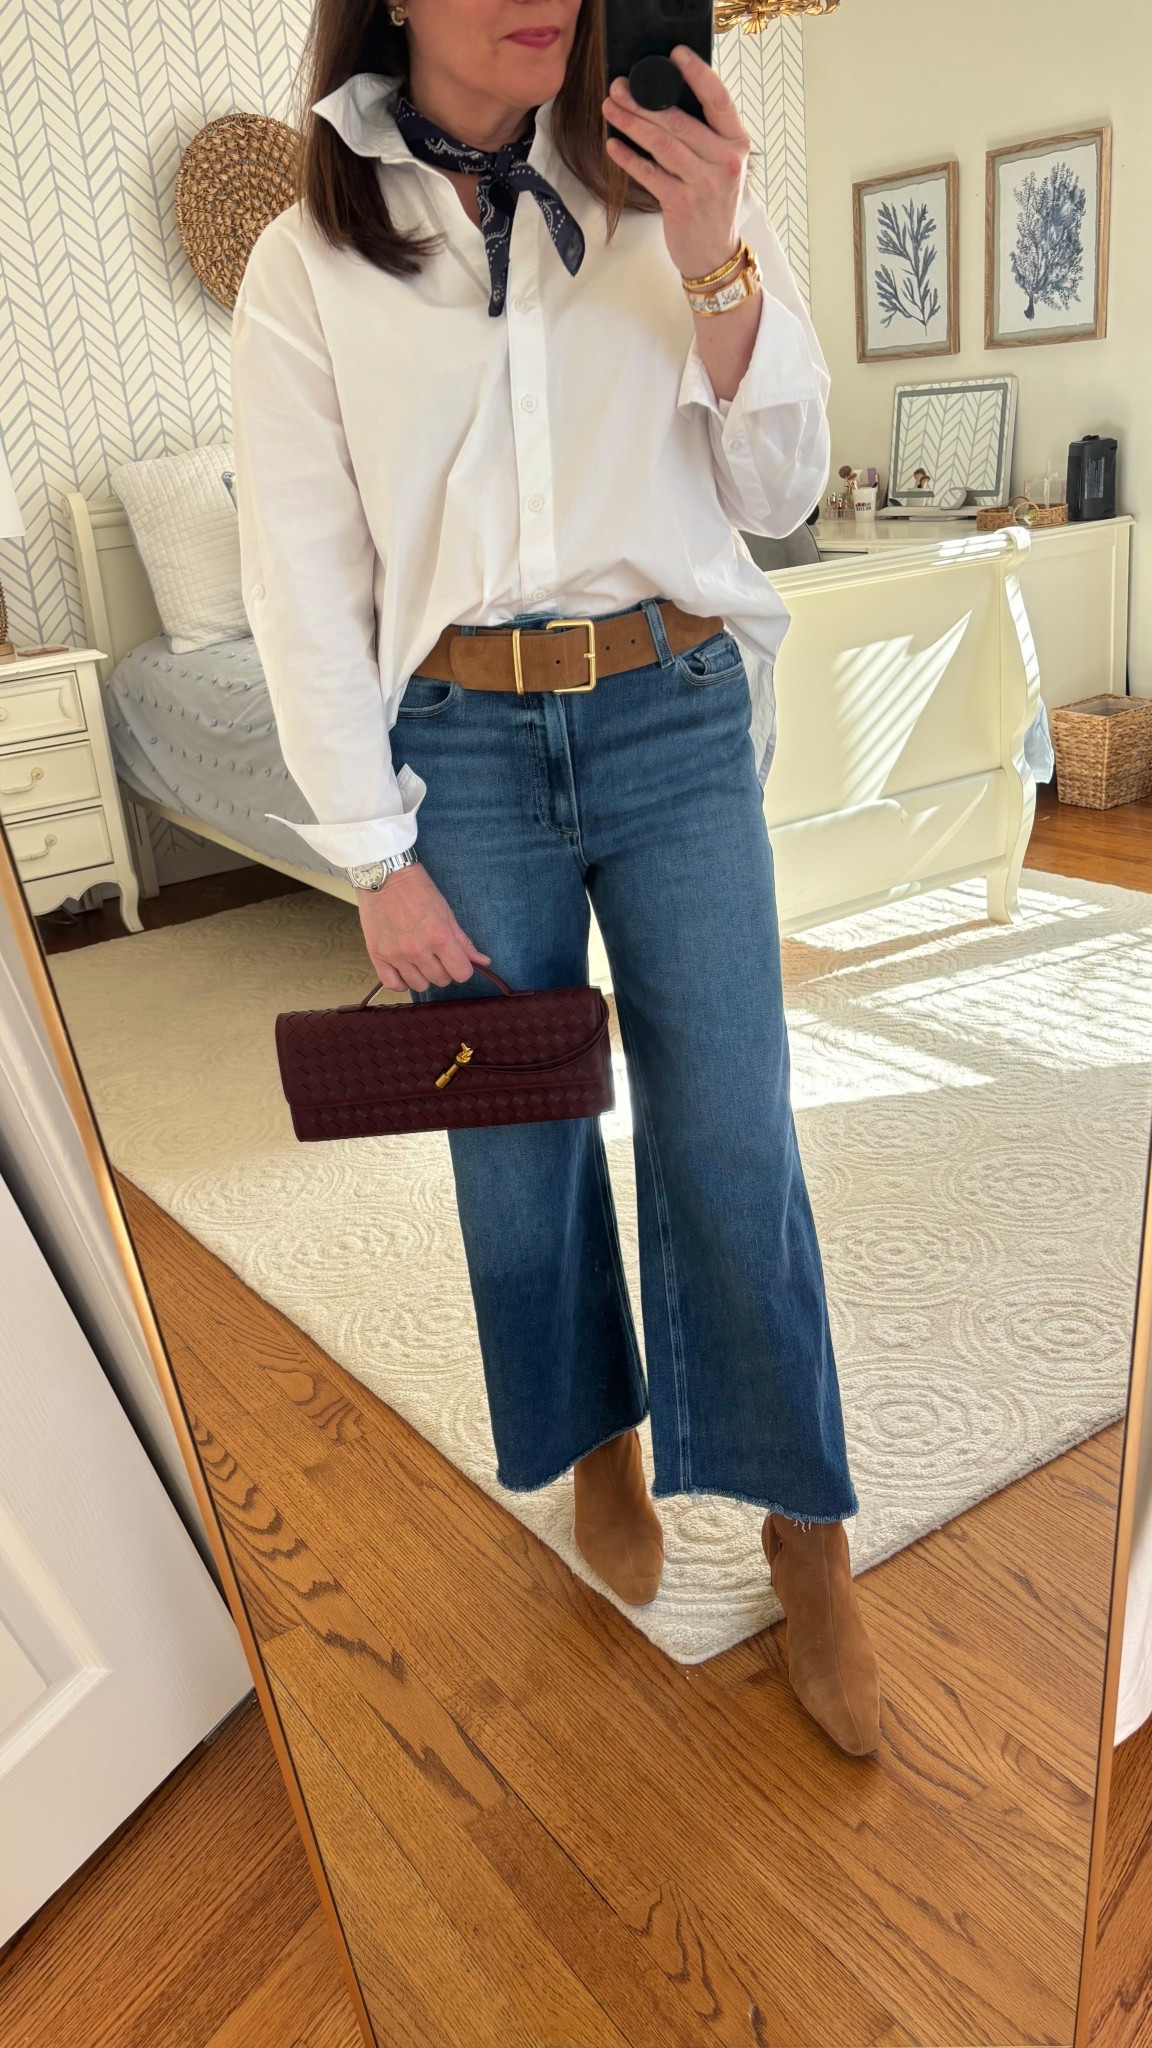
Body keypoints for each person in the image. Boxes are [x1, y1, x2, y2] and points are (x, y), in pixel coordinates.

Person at [230, 0, 881, 1756]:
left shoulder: (669, 186)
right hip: (464, 755)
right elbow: (304, 573)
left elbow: (787, 483)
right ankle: (601, 1440)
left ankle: (805, 1530)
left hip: (669, 713)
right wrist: (371, 849)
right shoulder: (309, 264)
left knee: (735, 1129)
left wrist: (720, 257)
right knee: (515, 1147)